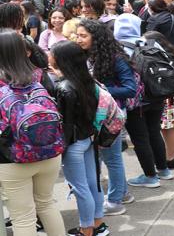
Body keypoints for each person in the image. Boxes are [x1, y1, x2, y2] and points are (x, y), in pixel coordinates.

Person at [0, 29, 66, 236]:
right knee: (46, 204)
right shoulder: (39, 75)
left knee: (23, 217)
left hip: (13, 158)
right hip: (49, 151)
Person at [75, 19, 136, 215]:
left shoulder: (116, 58)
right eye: (77, 35)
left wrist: (98, 90)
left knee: (112, 158)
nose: (78, 39)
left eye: (83, 36)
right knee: (107, 156)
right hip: (96, 116)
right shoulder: (87, 56)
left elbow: (130, 89)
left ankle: (115, 201)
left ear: (97, 38)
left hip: (111, 116)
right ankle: (123, 192)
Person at [49, 41, 109, 236]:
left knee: (80, 188)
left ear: (61, 60)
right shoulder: (88, 81)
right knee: (93, 184)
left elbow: (65, 124)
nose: (49, 56)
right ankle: (98, 223)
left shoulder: (64, 87)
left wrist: (60, 149)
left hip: (73, 144)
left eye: (52, 54)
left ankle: (86, 230)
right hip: (89, 138)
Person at [113, 14, 174, 188]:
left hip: (136, 100)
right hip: (158, 93)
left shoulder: (117, 48)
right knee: (154, 132)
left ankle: (150, 176)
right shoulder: (150, 42)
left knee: (140, 138)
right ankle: (163, 170)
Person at [144, 31, 174, 170]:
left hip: (159, 94)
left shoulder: (151, 55)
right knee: (170, 128)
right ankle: (171, 157)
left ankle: (164, 158)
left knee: (157, 128)